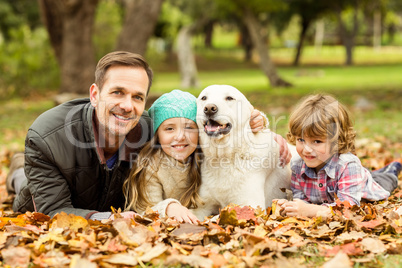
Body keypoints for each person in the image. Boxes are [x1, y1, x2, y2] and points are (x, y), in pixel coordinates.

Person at [6, 51, 291, 220]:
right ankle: (20, 170)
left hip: (113, 201)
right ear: (95, 94)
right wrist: (110, 219)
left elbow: (208, 129)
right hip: (62, 198)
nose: (127, 106)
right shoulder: (46, 139)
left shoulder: (156, 128)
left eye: (137, 97)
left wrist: (261, 133)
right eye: (117, 92)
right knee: (25, 186)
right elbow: (54, 212)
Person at [277, 94, 400, 218]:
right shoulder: (297, 164)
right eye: (301, 140)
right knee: (366, 173)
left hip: (368, 188)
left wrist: (312, 211)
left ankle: (392, 169)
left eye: (317, 141)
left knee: (386, 179)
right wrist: (291, 207)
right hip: (351, 179)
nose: (307, 150)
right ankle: (370, 173)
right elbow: (301, 199)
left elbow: (348, 208)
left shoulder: (348, 165)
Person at [123, 90, 201, 224]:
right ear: (157, 135)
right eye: (170, 129)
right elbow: (145, 211)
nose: (180, 136)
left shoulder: (205, 159)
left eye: (189, 128)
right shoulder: (151, 165)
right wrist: (169, 207)